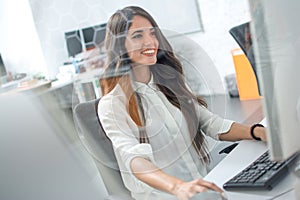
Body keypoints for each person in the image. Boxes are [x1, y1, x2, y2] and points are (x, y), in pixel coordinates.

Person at [97, 6, 266, 200]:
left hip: (203, 185)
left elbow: (210, 123)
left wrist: (257, 131)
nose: (150, 41)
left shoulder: (169, 80)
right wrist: (177, 187)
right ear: (120, 47)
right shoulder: (112, 105)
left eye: (152, 33)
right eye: (137, 36)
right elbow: (134, 160)